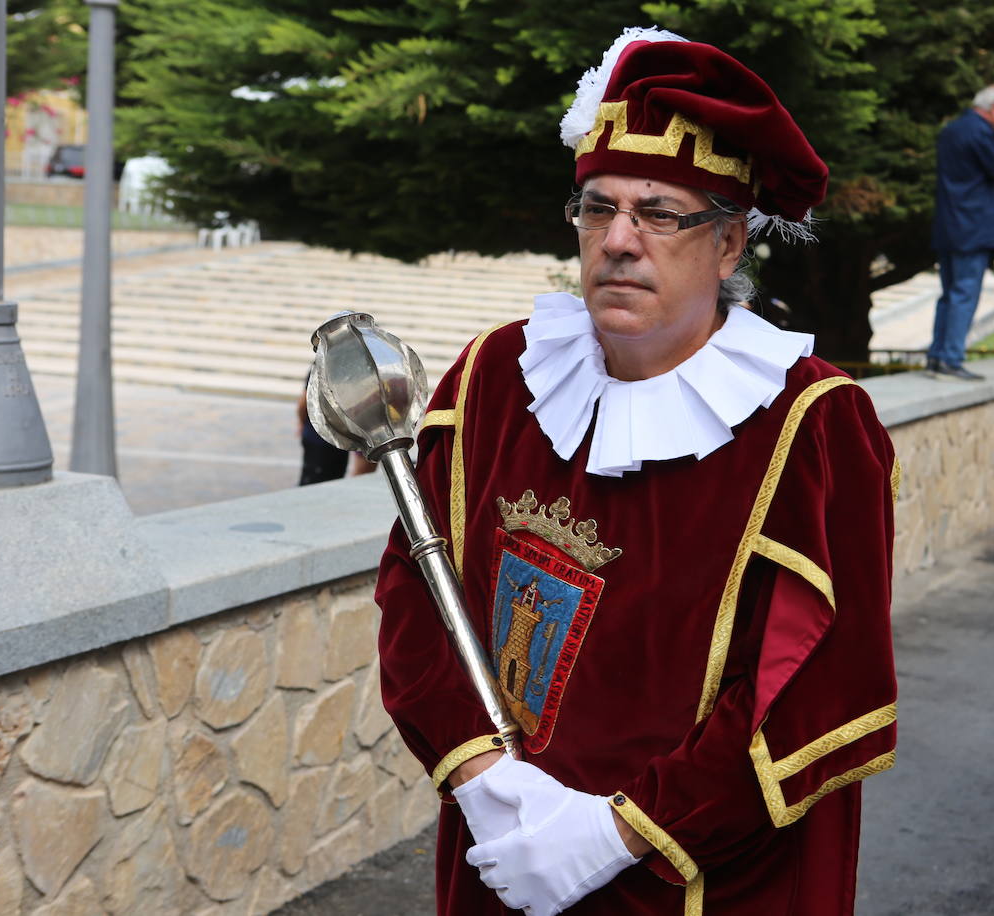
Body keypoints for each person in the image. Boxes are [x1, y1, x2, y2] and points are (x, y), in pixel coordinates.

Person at [374, 28, 899, 916]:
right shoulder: (496, 378)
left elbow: (820, 689)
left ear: (730, 245)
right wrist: (489, 785)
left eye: (660, 213)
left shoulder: (811, 423)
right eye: (597, 207)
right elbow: (417, 591)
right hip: (503, 851)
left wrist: (615, 835)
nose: (619, 240)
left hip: (699, 876)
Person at [927, 84, 994, 381]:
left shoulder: (953, 129)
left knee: (949, 294)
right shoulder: (979, 132)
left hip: (948, 224)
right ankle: (950, 359)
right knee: (965, 294)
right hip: (972, 227)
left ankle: (937, 358)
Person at [297, 370, 374, 484]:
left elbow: (303, 403)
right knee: (323, 480)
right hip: (326, 436)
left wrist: (301, 422)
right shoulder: (355, 369)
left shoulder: (322, 363)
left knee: (318, 480)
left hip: (326, 435)